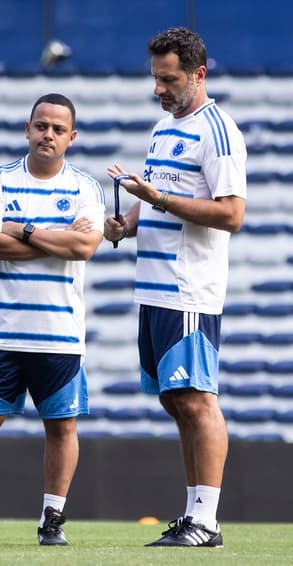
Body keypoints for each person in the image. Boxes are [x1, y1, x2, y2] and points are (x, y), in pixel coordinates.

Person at [0, 93, 105, 547]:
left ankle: (52, 520)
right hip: (2, 331)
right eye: (40, 126)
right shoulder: (0, 180)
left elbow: (85, 248)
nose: (48, 134)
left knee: (62, 427)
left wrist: (23, 229)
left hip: (60, 333)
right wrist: (58, 238)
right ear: (28, 129)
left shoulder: (86, 187)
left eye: (57, 129)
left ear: (72, 137)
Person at [103, 27, 246, 548]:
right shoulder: (163, 129)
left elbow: (231, 214)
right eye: (156, 79)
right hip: (155, 288)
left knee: (197, 400)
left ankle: (206, 521)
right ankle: (193, 515)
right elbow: (161, 197)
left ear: (198, 74)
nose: (159, 89)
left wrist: (158, 201)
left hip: (189, 289)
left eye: (168, 80)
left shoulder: (218, 131)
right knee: (176, 402)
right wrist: (129, 222)